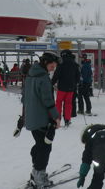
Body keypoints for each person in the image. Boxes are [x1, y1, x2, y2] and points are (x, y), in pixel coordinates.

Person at [22, 52, 61, 189]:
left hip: (32, 119)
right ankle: (39, 177)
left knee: (39, 145)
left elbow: (24, 97)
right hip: (42, 119)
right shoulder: (43, 78)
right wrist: (56, 117)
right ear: (45, 62)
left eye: (55, 65)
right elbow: (48, 100)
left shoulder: (30, 75)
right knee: (45, 148)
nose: (53, 67)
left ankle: (36, 173)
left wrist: (23, 117)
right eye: (52, 64)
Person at [52, 49, 80, 127]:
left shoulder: (61, 64)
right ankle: (67, 120)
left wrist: (51, 83)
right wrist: (75, 84)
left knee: (58, 103)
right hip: (71, 88)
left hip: (61, 88)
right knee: (68, 104)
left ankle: (57, 120)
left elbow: (56, 75)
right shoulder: (75, 64)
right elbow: (78, 76)